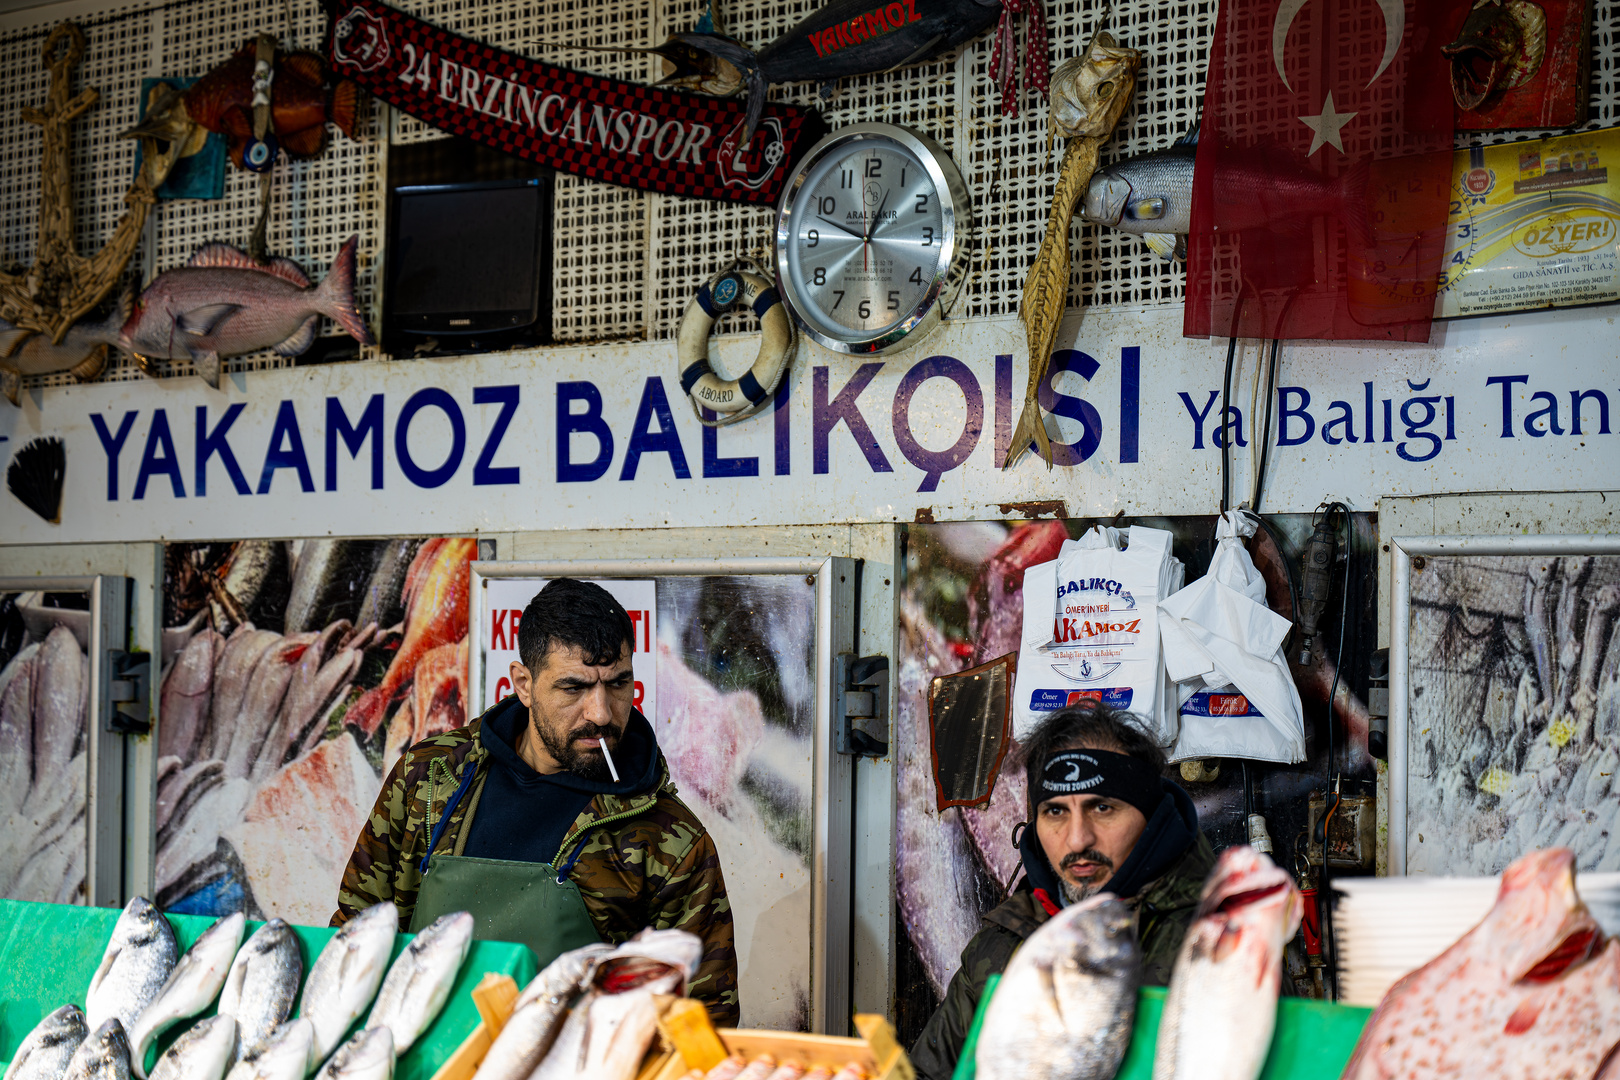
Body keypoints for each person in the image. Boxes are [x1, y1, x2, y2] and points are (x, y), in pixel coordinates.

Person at [331, 577, 739, 1024]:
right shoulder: (430, 780)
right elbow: (356, 936)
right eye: (574, 688)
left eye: (618, 684)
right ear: (524, 685)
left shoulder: (671, 841)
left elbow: (700, 1023)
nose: (601, 713)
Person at [909, 702, 1214, 1080]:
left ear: (1151, 818)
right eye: (1055, 811)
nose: (1077, 839)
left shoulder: (1219, 941)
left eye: (1102, 807)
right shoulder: (1002, 943)